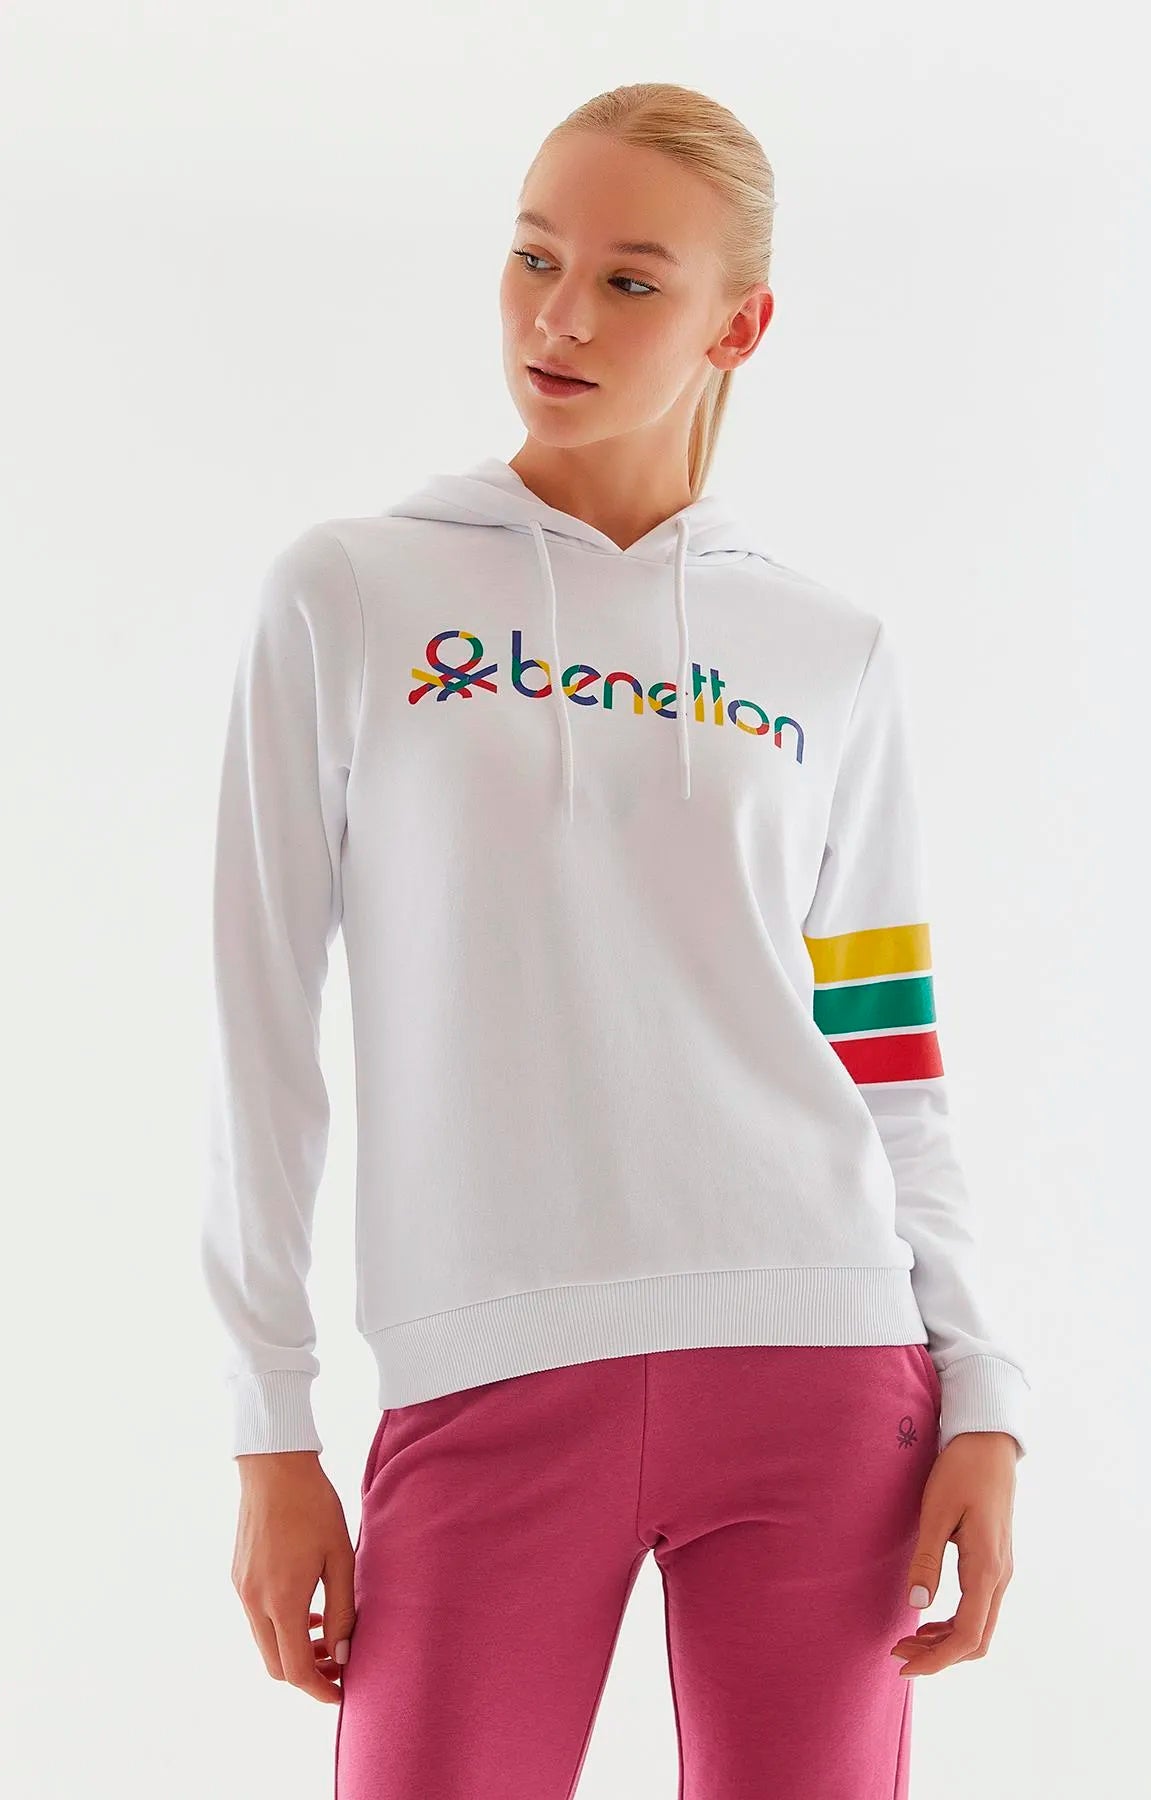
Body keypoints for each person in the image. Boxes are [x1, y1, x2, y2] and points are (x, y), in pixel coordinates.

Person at [202, 81, 1031, 1800]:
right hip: (485, 1372)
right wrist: (269, 1427)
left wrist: (986, 1393)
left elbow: (888, 1051)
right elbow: (259, 1028)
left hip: (823, 1367)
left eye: (631, 280)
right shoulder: (352, 593)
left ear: (741, 324)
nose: (559, 316)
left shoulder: (827, 651)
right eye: (534, 259)